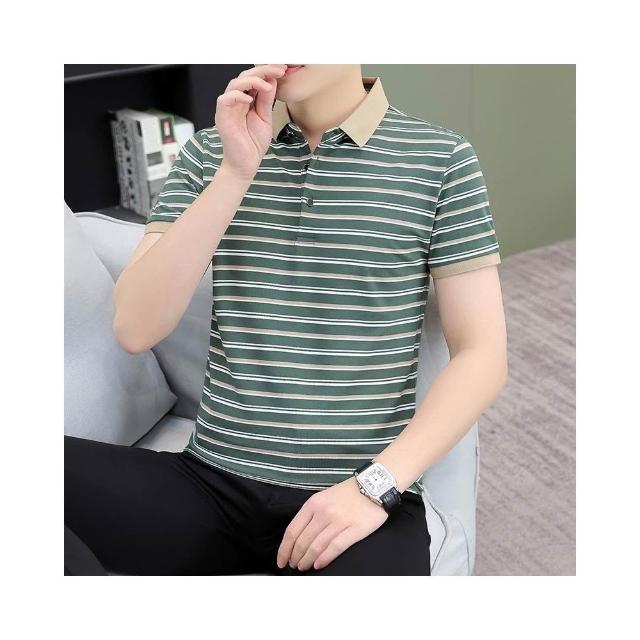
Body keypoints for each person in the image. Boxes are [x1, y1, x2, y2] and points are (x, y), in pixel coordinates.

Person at [65, 64, 508, 576]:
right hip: (209, 485)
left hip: (354, 501)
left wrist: (374, 487)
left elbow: (482, 354)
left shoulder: (441, 159)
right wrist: (235, 173)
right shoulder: (210, 152)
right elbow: (135, 328)